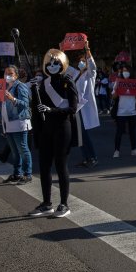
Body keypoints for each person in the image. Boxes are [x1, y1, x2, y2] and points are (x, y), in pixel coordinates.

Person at [29, 49, 79, 218]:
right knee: (44, 167)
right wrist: (33, 91)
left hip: (62, 128)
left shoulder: (67, 81)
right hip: (45, 129)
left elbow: (72, 108)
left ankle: (64, 204)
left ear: (62, 64)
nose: (52, 66)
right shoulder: (42, 83)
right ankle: (46, 203)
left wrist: (52, 110)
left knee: (60, 166)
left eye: (56, 63)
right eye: (49, 63)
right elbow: (36, 109)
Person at [0, 65, 33, 185]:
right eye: (5, 73)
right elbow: (3, 106)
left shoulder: (20, 86)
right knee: (14, 151)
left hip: (19, 122)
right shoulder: (4, 86)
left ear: (16, 75)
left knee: (23, 149)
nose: (7, 76)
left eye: (10, 74)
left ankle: (27, 174)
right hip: (8, 123)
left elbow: (26, 103)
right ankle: (17, 173)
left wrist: (13, 99)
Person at [75, 42, 100, 168]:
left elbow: (92, 65)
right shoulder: (77, 75)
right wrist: (61, 50)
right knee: (79, 134)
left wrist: (87, 49)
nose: (82, 62)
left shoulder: (90, 74)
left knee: (84, 134)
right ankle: (85, 158)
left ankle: (93, 157)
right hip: (76, 108)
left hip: (85, 107)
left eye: (83, 60)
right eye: (80, 60)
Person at [111, 65, 136, 157]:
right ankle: (116, 151)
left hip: (132, 111)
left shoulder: (135, 82)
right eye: (123, 71)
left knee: (133, 132)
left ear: (130, 72)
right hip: (121, 112)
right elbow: (113, 96)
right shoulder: (118, 82)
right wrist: (116, 91)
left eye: (126, 70)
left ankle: (134, 149)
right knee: (119, 132)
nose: (125, 72)